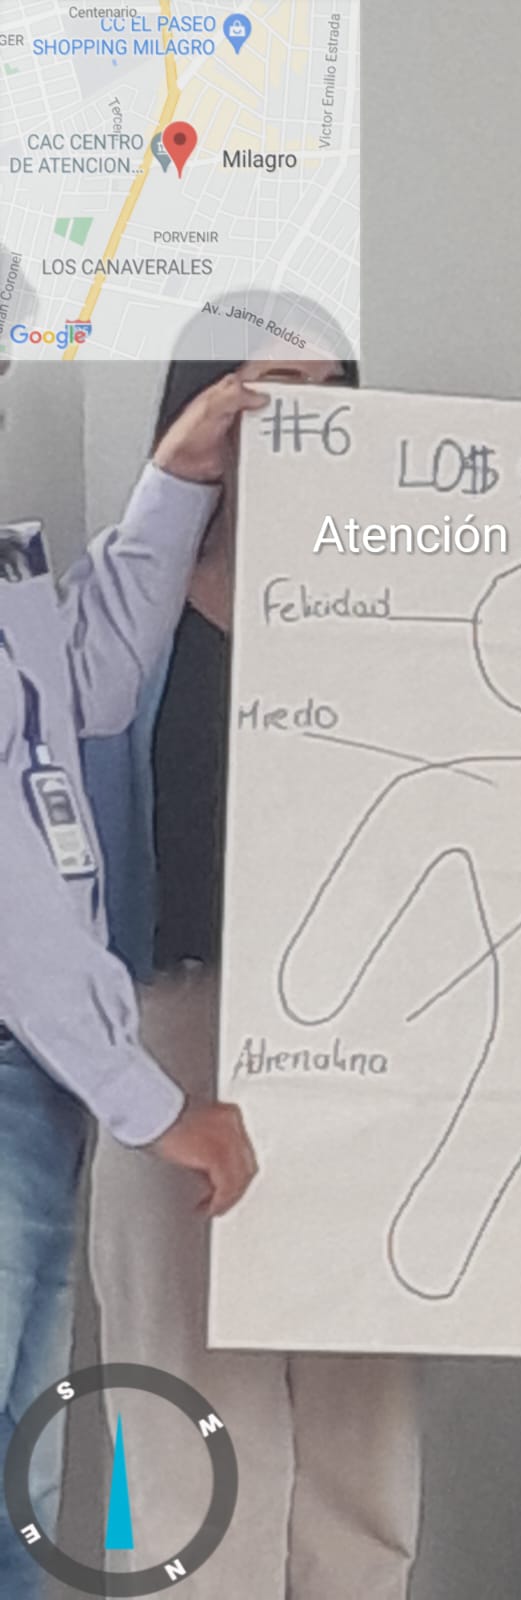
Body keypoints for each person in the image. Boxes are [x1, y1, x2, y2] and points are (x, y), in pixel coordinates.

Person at [82, 325, 422, 1599]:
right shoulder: (125, 600)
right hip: (170, 1023)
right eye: (263, 399)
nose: (294, 428)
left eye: (326, 401)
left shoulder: (404, 597)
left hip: (364, 1029)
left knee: (359, 1405)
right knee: (179, 1393)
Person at [0, 363, 261, 1598]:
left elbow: (90, 682)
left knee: (26, 1483)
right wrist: (150, 1100)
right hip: (33, 1062)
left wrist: (177, 477)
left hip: (35, 1081)